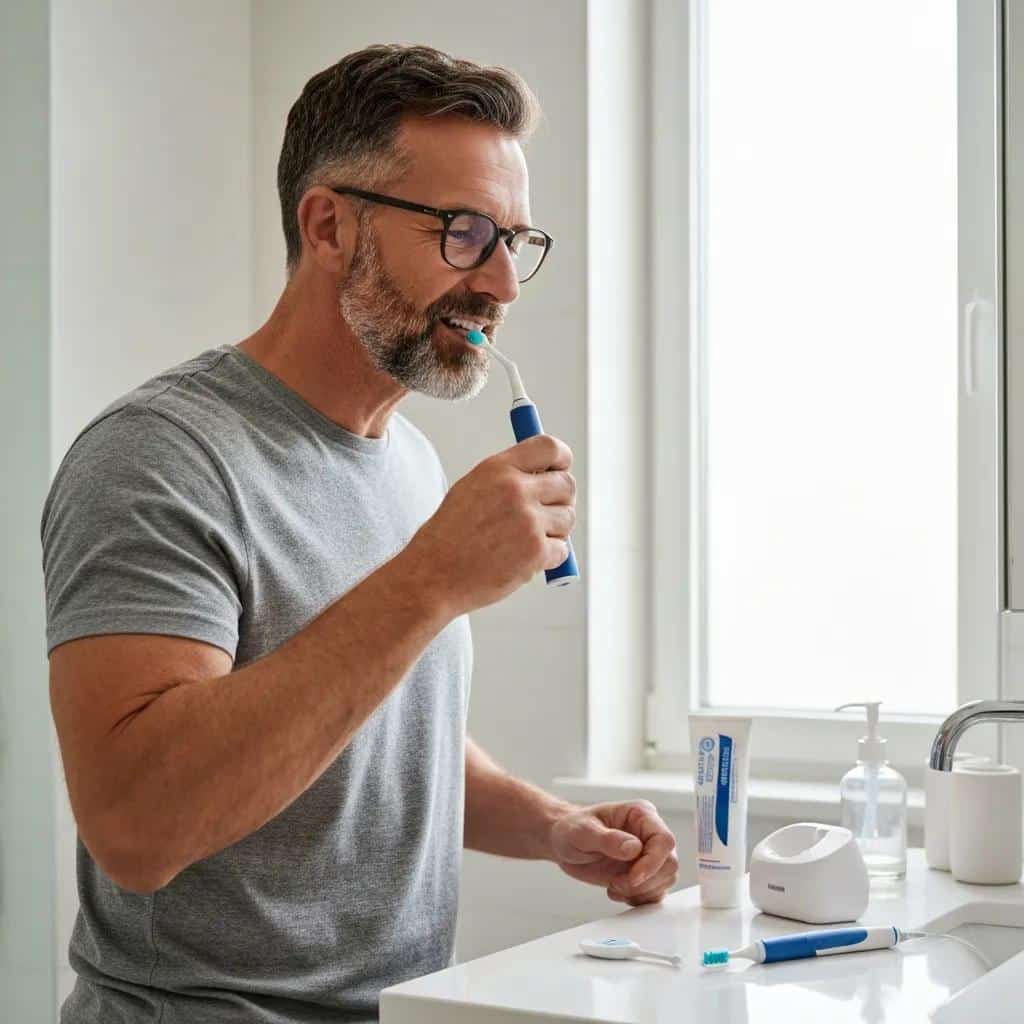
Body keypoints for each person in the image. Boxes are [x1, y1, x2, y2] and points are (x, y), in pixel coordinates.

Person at [40, 43, 679, 1023]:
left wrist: (554, 827)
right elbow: (136, 827)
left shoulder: (408, 462)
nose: (504, 284)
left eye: (515, 240)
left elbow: (374, 734)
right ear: (329, 225)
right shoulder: (158, 455)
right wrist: (430, 580)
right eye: (466, 233)